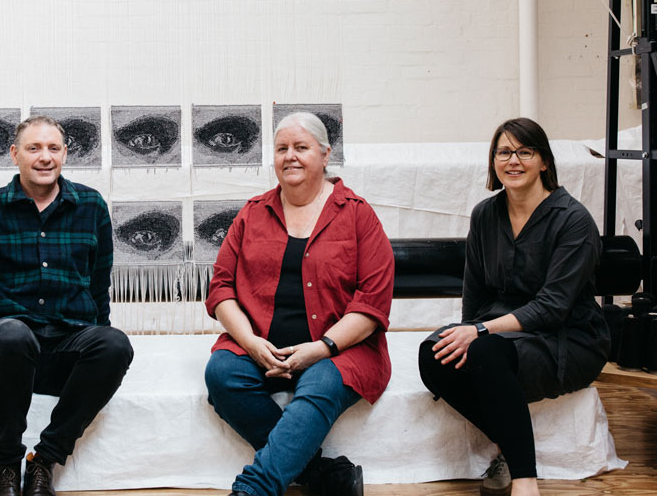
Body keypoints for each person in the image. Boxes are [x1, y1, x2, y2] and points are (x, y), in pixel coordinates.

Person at [0, 115, 134, 496]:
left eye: (52, 148)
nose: (44, 157)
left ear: (64, 154)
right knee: (14, 334)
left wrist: (103, 338)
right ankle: (8, 464)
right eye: (33, 148)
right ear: (15, 155)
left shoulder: (92, 207)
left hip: (65, 346)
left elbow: (99, 283)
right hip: (3, 349)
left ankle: (44, 460)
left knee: (115, 343)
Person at [204, 112, 395, 496]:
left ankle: (253, 489)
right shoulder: (252, 213)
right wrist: (252, 344)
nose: (290, 156)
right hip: (262, 344)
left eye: (301, 147)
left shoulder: (357, 214)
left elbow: (372, 303)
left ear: (325, 155)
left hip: (339, 350)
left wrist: (321, 348)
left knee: (321, 381)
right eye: (281, 149)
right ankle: (325, 474)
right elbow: (221, 289)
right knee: (222, 374)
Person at [417, 117, 609, 496]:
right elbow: (474, 293)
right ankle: (508, 438)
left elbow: (553, 308)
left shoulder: (573, 221)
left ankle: (524, 480)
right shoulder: (485, 215)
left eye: (525, 151)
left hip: (567, 338)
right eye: (504, 152)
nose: (513, 161)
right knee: (433, 355)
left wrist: (482, 332)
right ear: (493, 162)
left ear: (544, 162)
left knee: (485, 349)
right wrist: (468, 333)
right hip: (503, 335)